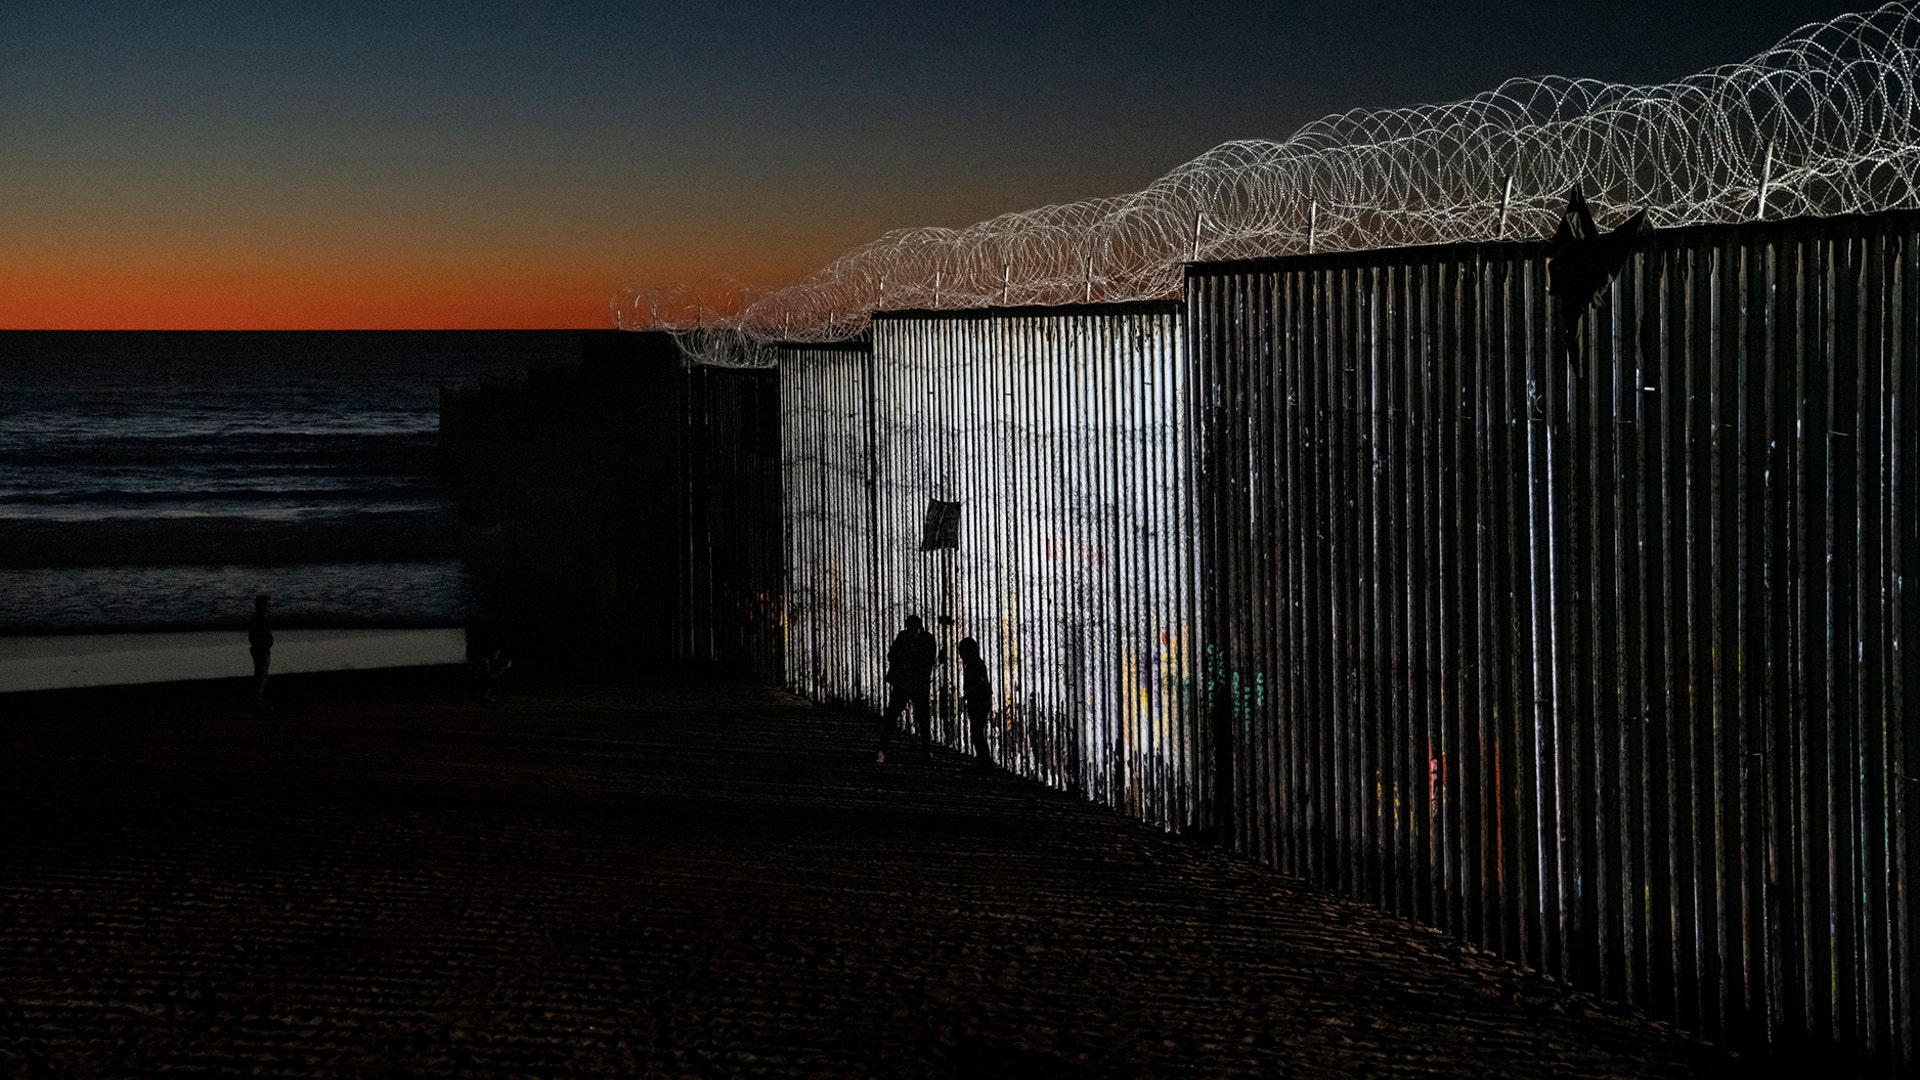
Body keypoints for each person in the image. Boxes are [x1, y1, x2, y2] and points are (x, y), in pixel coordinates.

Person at [877, 614, 937, 763]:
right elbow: (892, 655)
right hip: (907, 683)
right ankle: (883, 749)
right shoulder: (908, 638)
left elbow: (928, 661)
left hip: (915, 684)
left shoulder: (926, 640)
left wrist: (907, 659)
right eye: (908, 629)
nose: (910, 631)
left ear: (918, 628)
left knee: (921, 718)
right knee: (893, 716)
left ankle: (927, 751)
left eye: (912, 629)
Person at [957, 636, 993, 770]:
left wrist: (971, 691)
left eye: (962, 650)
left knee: (977, 733)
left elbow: (980, 682)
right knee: (977, 733)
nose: (960, 654)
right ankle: (984, 762)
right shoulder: (976, 663)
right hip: (979, 700)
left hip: (979, 701)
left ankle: (985, 763)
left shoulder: (975, 664)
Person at [247, 594, 273, 709]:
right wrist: (264, 646)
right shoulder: (260, 619)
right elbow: (258, 636)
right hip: (261, 651)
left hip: (260, 650)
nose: (269, 607)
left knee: (260, 676)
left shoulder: (256, 618)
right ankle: (257, 702)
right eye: (267, 605)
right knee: (261, 677)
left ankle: (257, 700)